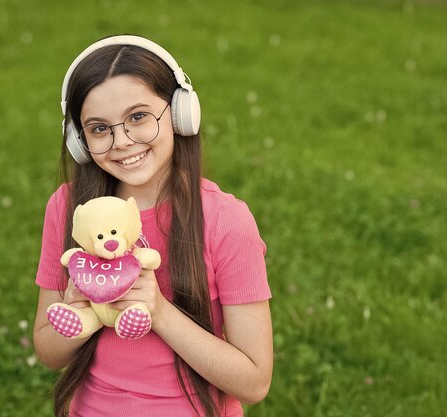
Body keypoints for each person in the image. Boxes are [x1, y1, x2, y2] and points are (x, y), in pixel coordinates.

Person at [33, 35, 273, 417]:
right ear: (80, 140)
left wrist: (158, 311)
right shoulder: (70, 209)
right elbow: (48, 352)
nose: (122, 142)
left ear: (179, 113)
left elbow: (254, 382)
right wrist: (82, 306)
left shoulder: (226, 220)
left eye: (138, 117)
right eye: (99, 128)